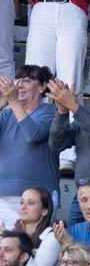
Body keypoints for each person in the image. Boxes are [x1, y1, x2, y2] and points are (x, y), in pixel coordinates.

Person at [0, 73, 57, 228]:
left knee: (32, 247)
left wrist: (13, 101)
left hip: (38, 195)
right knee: (5, 249)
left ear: (42, 86)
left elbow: (33, 135)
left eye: (26, 81)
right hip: (4, 194)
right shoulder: (6, 114)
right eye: (18, 80)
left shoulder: (51, 110)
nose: (19, 85)